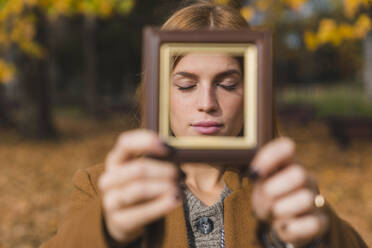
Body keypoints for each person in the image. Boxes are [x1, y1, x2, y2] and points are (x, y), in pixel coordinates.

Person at [41, 1, 367, 247]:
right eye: (186, 85)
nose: (207, 102)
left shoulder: (281, 191)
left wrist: (320, 230)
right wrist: (106, 228)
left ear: (253, 92)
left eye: (226, 84)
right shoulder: (102, 186)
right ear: (158, 93)